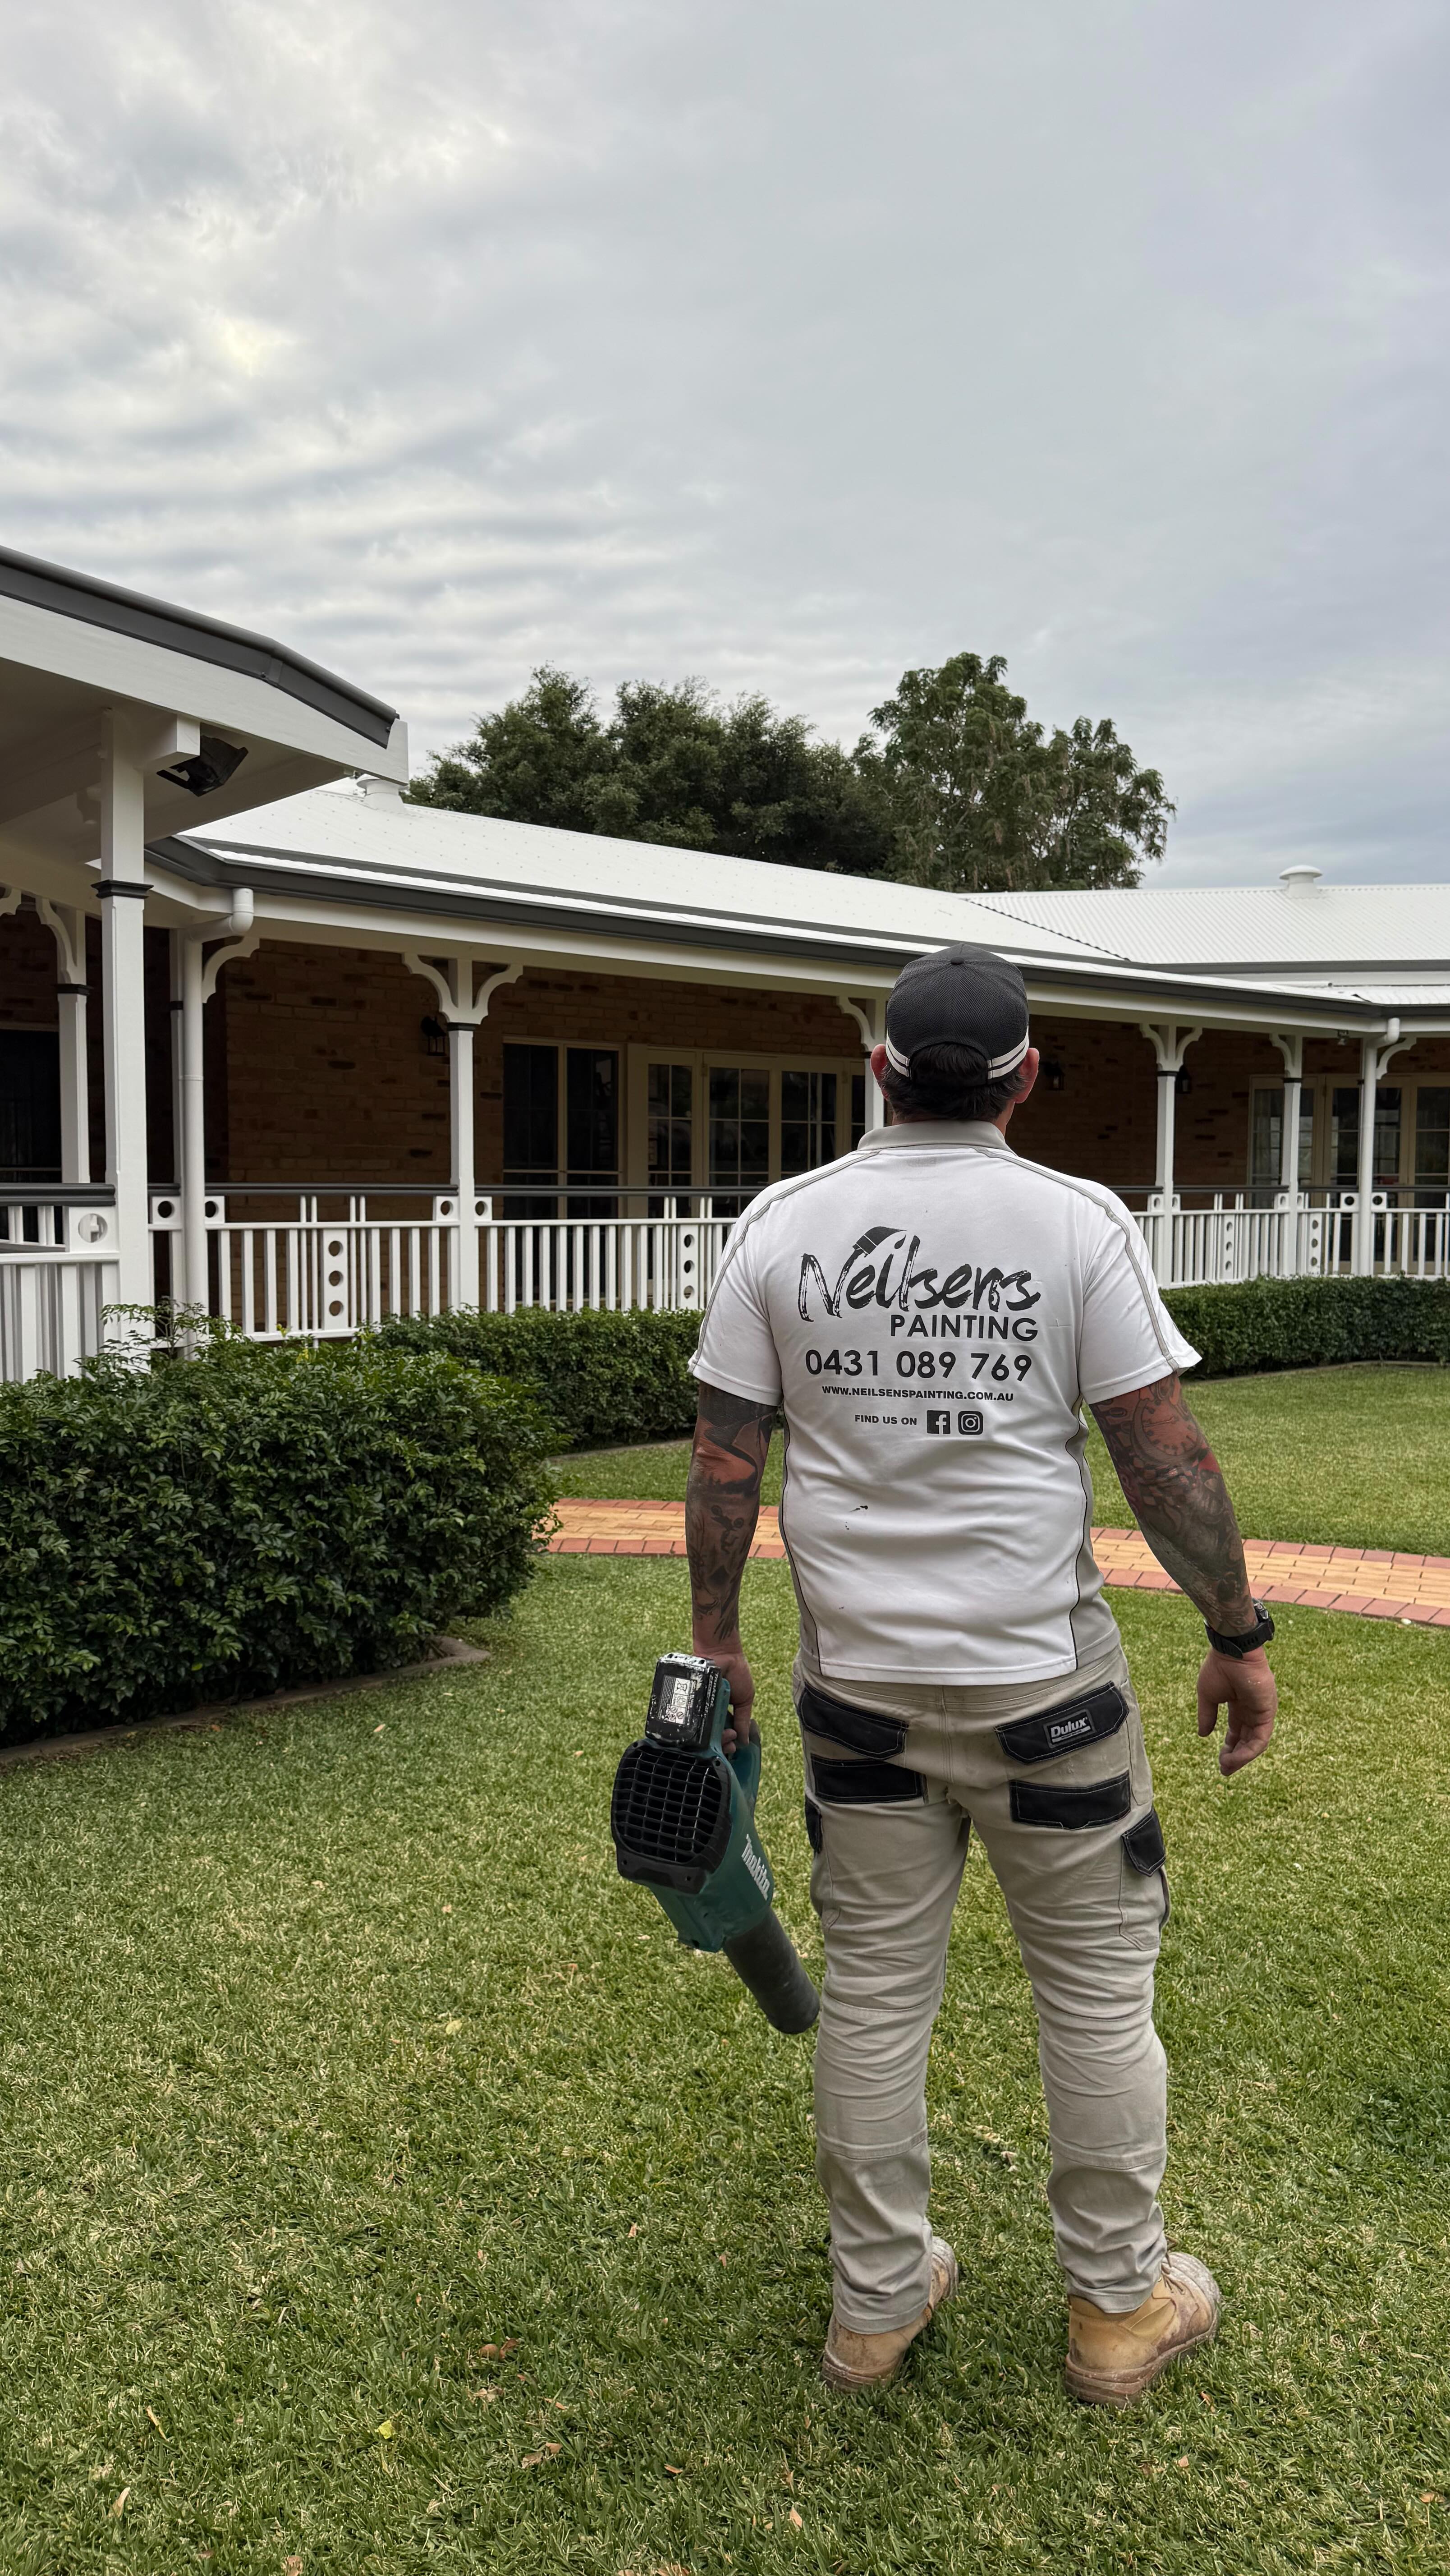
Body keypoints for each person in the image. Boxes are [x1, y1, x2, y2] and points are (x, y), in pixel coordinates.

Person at [684, 943, 1277, 2408]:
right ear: (1024, 1080)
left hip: (858, 1696)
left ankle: (876, 2312)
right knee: (1096, 1999)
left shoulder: (780, 1224)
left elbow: (723, 1462)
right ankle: (1116, 2312)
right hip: (1048, 1700)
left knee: (875, 1996)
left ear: (878, 1069)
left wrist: (719, 1640)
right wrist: (1236, 1632)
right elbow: (1164, 1457)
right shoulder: (1075, 1223)